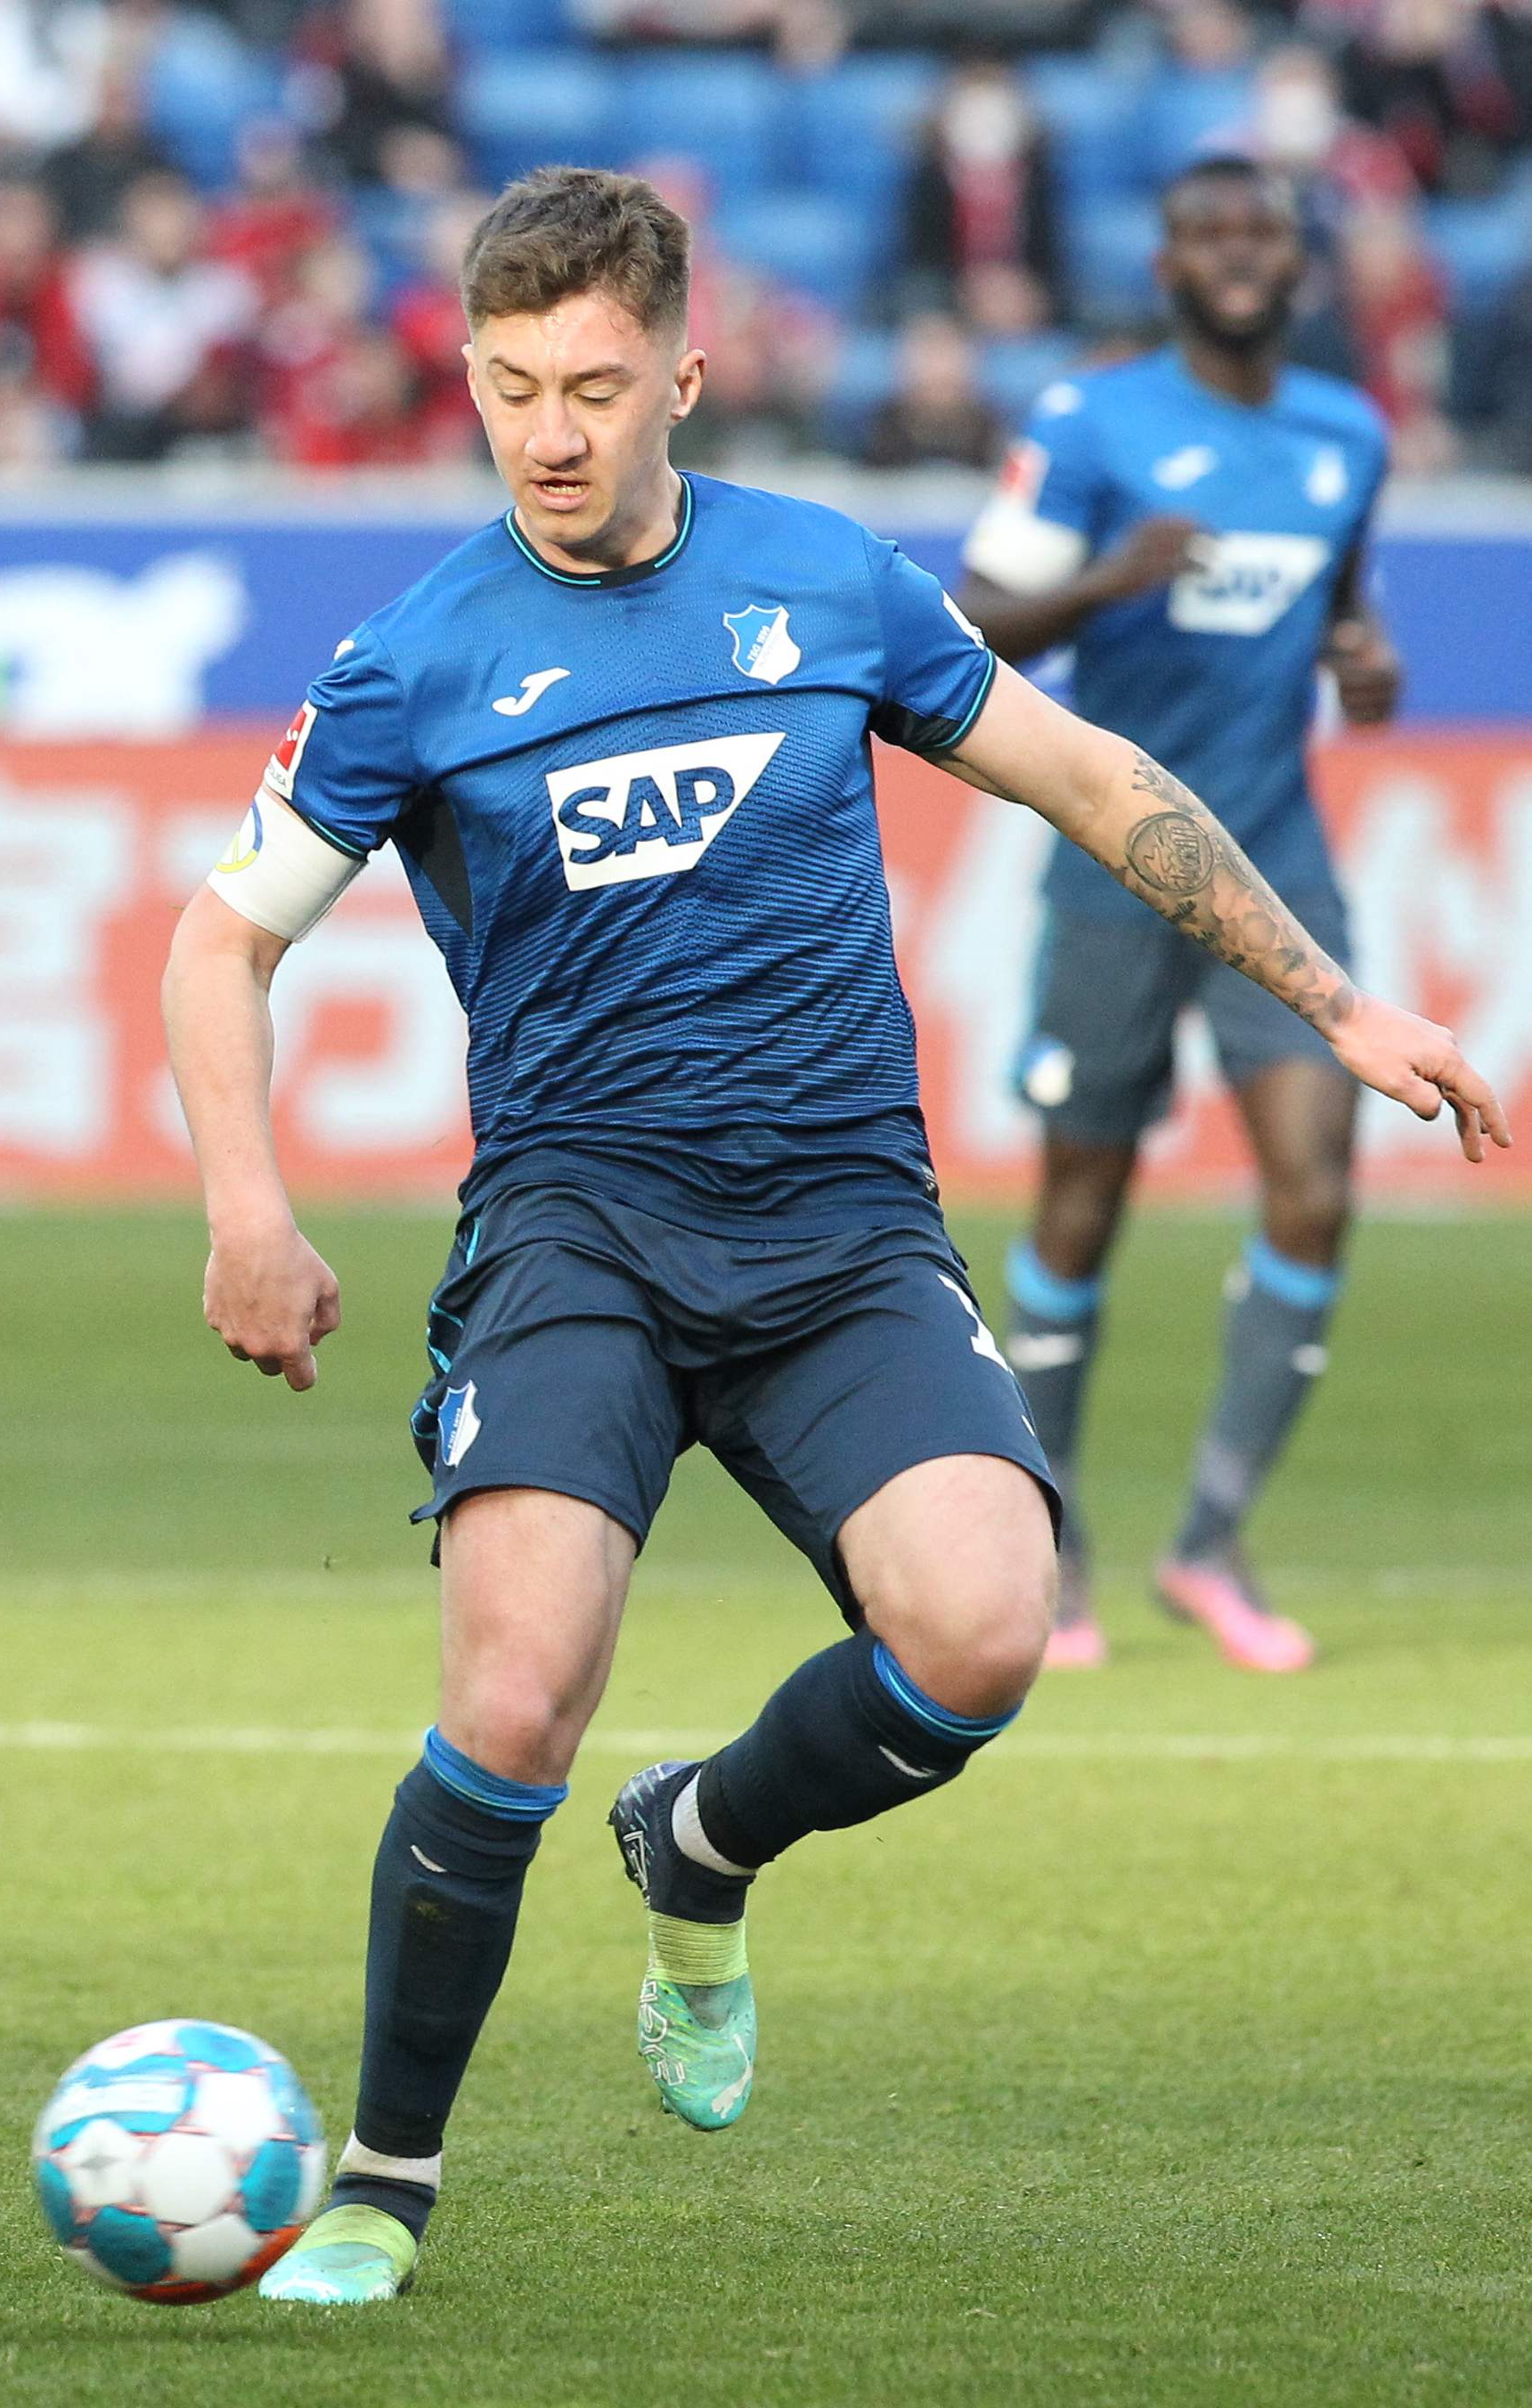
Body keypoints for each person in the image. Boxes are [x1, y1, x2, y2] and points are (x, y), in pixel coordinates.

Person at [161, 167, 1497, 2309]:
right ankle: (376, 2182)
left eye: (591, 386)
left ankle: (696, 1847)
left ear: (680, 374)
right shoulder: (410, 658)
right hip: (573, 1229)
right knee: (509, 1693)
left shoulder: (825, 585)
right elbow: (210, 943)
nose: (546, 433)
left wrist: (1332, 1002)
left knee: (978, 1632)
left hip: (838, 1224)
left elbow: (1082, 775)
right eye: (506, 389)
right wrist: (245, 1202)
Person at [955, 160, 1404, 1674]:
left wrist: (1360, 660)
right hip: (1111, 856)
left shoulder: (1348, 432)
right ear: (1163, 261)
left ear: (1297, 260)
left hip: (1273, 857)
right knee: (1079, 1201)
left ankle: (1206, 1539)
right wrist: (1100, 584)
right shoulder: (1088, 423)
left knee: (1314, 1182)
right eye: (1205, 232)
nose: (1233, 256)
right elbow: (966, 625)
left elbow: (1339, 604)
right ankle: (1051, 1547)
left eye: (1259, 233)